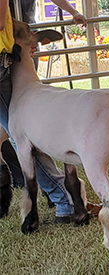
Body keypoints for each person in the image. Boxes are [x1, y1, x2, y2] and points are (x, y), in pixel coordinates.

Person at [0, 0, 100, 223]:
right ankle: (65, 202)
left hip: (11, 54)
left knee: (20, 130)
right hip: (5, 56)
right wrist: (22, 41)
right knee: (21, 134)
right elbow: (0, 22)